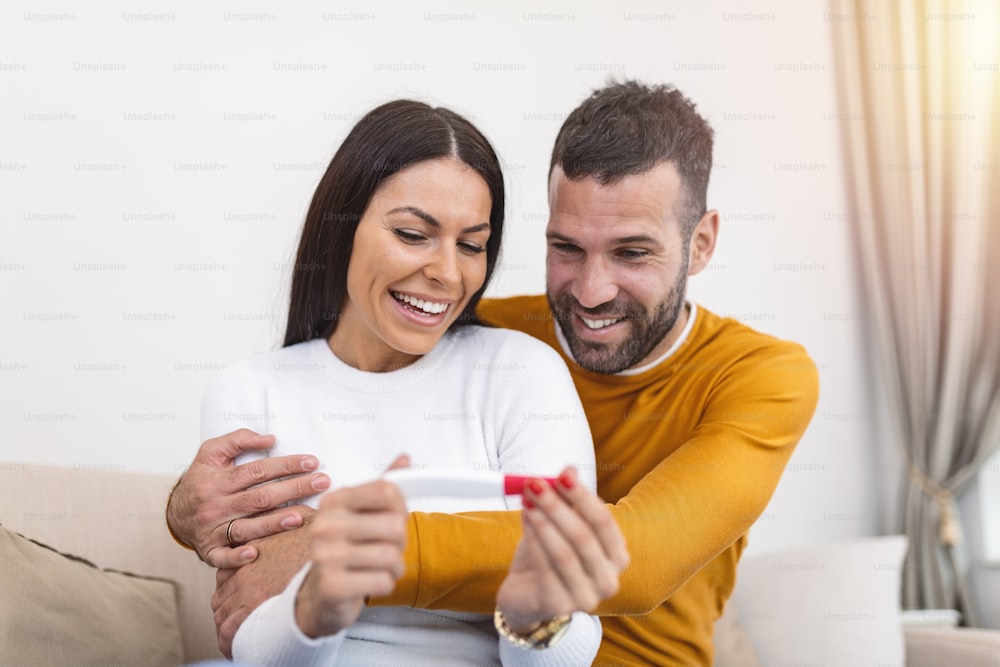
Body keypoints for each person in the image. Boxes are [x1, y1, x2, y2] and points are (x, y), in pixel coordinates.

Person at [169, 80, 819, 665]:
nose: (590, 292)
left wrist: (350, 552)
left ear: (701, 243)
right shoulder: (464, 327)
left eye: (632, 252)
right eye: (566, 247)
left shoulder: (761, 374)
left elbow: (638, 561)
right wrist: (185, 512)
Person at [195, 98, 629, 665]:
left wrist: (534, 613)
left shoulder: (520, 373)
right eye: (412, 234)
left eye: (471, 245)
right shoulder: (252, 391)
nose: (448, 273)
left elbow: (562, 654)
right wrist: (324, 594)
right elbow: (245, 640)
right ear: (343, 226)